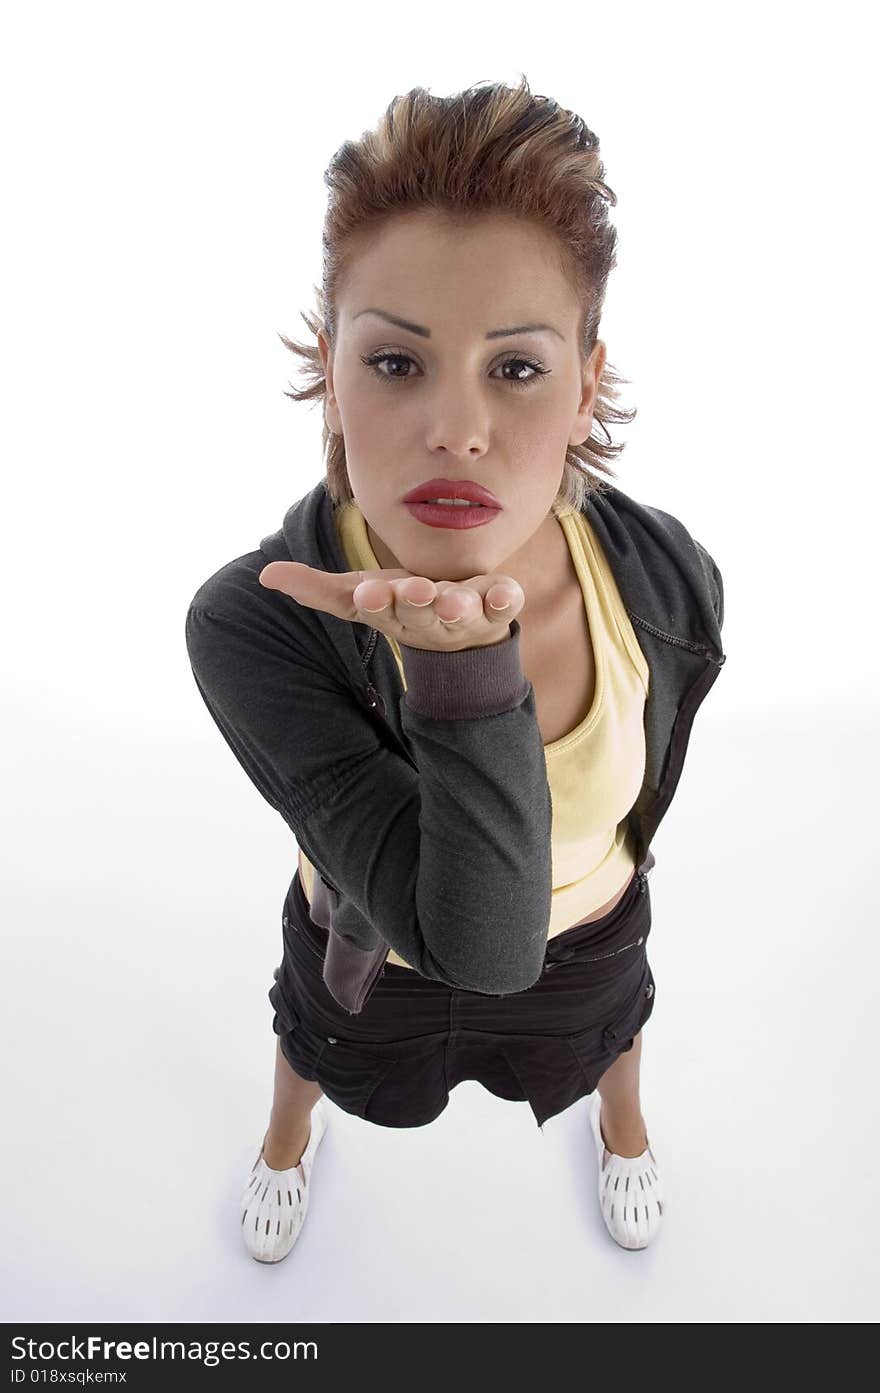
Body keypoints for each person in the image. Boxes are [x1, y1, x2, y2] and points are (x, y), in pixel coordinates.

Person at [185, 75, 726, 1264]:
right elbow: (476, 943)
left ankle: (621, 1127)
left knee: (612, 1028)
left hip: (592, 930)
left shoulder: (663, 575)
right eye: (395, 364)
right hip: (365, 939)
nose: (457, 428)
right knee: (314, 1038)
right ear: (330, 369)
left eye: (517, 369)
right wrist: (465, 665)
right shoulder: (253, 622)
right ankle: (286, 1144)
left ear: (586, 382)